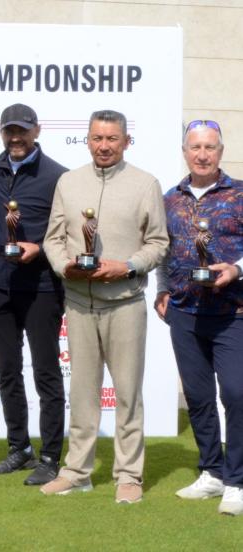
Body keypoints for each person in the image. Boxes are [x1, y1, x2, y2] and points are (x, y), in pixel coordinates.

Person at [41, 109, 168, 504]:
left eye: (112, 138)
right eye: (97, 138)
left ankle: (128, 475)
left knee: (127, 394)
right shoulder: (68, 182)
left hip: (125, 304)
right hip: (79, 304)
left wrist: (127, 266)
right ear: (88, 140)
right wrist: (64, 266)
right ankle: (76, 471)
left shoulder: (145, 184)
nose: (104, 145)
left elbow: (159, 243)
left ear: (126, 141)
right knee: (82, 393)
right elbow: (53, 238)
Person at [155, 120, 243, 516]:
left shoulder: (239, 194)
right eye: (195, 147)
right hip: (185, 314)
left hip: (232, 314)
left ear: (220, 152)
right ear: (185, 152)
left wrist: (237, 269)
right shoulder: (169, 199)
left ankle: (237, 480)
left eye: (210, 147)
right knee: (199, 397)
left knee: (237, 394)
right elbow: (163, 250)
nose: (202, 154)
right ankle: (212, 471)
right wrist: (161, 289)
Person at [0, 104, 68, 485]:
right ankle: (19, 448)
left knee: (46, 373)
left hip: (42, 287)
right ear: (2, 133)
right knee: (7, 372)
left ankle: (50, 456)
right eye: (10, 131)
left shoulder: (58, 176)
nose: (16, 138)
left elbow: (69, 234)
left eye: (22, 130)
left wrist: (42, 249)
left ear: (37, 130)